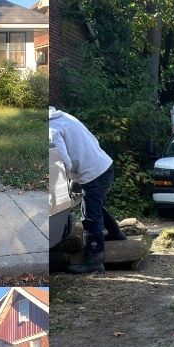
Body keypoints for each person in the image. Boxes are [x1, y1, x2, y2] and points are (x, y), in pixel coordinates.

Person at [49, 107, 121, 276]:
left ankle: (94, 261)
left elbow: (63, 161)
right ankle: (116, 233)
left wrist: (66, 179)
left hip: (93, 174)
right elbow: (90, 140)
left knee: (90, 217)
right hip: (103, 166)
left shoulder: (52, 128)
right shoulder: (64, 117)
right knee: (95, 205)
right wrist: (76, 179)